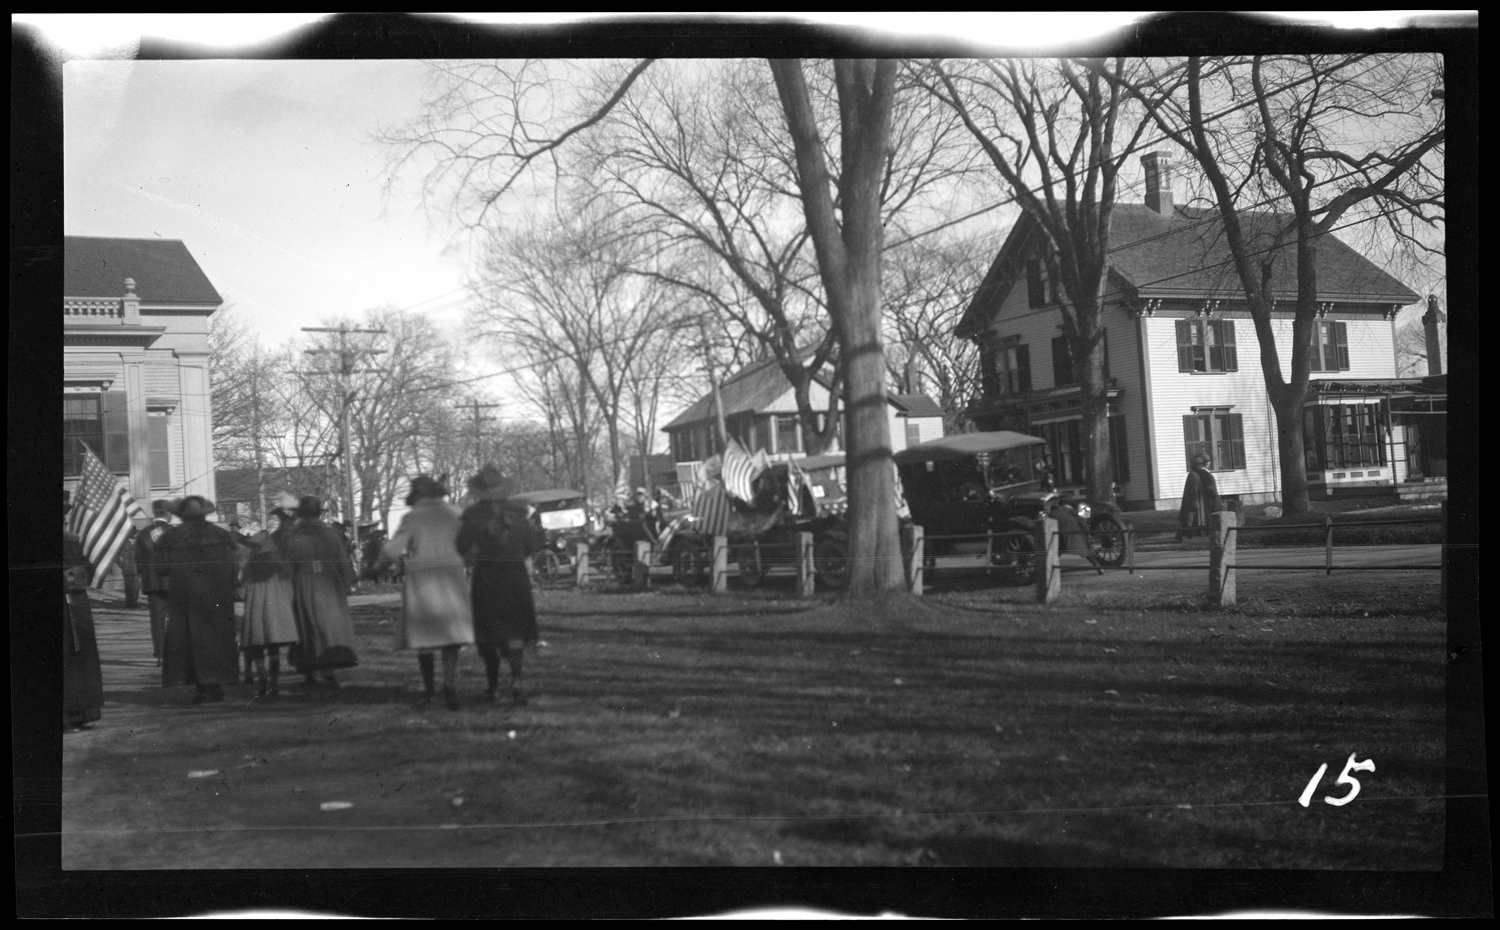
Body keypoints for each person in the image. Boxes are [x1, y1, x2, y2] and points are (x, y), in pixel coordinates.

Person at [376, 475, 475, 710]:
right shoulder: (454, 513)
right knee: (451, 637)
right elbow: (469, 546)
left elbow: (392, 550)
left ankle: (430, 690)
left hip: (423, 578)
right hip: (451, 575)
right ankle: (449, 685)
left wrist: (376, 568)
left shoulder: (413, 516)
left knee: (426, 638)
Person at [458, 464, 548, 705]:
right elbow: (531, 546)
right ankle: (517, 681)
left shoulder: (473, 516)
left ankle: (493, 686)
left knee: (488, 633)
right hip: (514, 575)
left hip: (487, 576)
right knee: (515, 630)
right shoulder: (520, 515)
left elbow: (461, 547)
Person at [157, 496, 241, 704]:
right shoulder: (222, 536)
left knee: (189, 641)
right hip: (217, 598)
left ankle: (201, 687)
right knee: (216, 641)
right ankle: (215, 685)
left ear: (181, 515)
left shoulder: (171, 538)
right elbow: (234, 567)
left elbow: (160, 568)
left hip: (186, 598)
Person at [284, 496, 359, 689]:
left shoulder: (294, 537)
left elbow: (286, 566)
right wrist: (349, 580)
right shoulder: (330, 534)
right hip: (329, 583)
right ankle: (328, 669)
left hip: (304, 583)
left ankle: (310, 669)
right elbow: (343, 559)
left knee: (306, 624)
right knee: (329, 624)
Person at [239, 508, 299, 699]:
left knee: (257, 647)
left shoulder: (251, 567)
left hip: (256, 612)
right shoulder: (279, 565)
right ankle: (274, 682)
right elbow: (289, 587)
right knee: (274, 648)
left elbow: (242, 591)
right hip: (275, 611)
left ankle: (262, 679)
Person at [64, 528, 104, 730]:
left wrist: (73, 577)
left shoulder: (71, 541)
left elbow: (89, 569)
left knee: (79, 657)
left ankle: (82, 713)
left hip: (75, 603)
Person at [135, 500, 174, 665]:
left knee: (157, 620)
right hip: (174, 583)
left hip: (152, 583)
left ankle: (160, 655)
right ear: (167, 513)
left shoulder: (142, 534)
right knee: (176, 619)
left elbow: (138, 561)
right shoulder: (176, 533)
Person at [1176, 453, 1223, 542]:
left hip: (1196, 499)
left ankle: (1187, 533)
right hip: (1200, 499)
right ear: (1205, 463)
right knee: (1198, 517)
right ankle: (1194, 533)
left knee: (1191, 517)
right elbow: (1209, 489)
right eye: (1208, 462)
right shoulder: (1202, 474)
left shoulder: (1193, 473)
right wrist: (1216, 498)